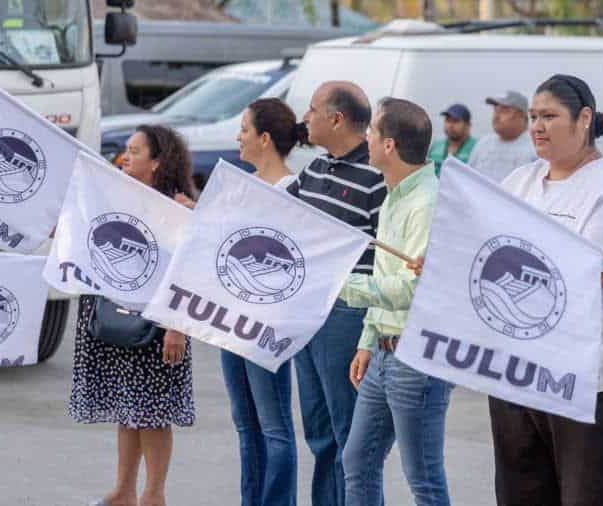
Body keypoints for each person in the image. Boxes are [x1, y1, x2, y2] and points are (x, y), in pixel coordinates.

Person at [487, 74, 603, 506]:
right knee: (522, 494)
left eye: (549, 116)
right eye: (533, 117)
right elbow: (484, 250)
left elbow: (582, 281)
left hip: (595, 377)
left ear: (583, 118)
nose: (537, 127)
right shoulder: (521, 182)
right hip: (520, 371)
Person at [71, 124, 198, 506]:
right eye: (126, 149)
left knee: (152, 412)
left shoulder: (178, 206)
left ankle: (152, 495)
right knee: (129, 409)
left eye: (135, 151)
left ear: (158, 162)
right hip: (113, 317)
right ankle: (123, 491)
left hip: (156, 326)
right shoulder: (115, 196)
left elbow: (188, 270)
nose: (125, 157)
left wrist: (176, 326)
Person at [339, 97, 453, 506]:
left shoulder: (427, 203)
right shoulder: (395, 195)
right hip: (385, 352)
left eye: (372, 133)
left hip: (417, 357)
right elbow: (385, 273)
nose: (365, 140)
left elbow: (411, 288)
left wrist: (338, 283)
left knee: (423, 478)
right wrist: (368, 340)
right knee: (357, 460)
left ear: (389, 145)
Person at [293, 81, 386, 506]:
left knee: (350, 436)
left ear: (336, 118)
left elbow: (390, 257)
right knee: (319, 434)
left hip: (347, 315)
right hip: (307, 310)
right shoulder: (313, 169)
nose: (305, 119)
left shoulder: (378, 176)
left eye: (312, 110)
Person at [215, 98, 302, 506]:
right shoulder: (244, 187)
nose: (239, 136)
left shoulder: (291, 191)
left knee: (274, 427)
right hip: (231, 322)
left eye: (245, 129)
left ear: (265, 139)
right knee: (246, 425)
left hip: (266, 326)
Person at [467, 90, 537, 182]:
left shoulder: (536, 147)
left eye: (504, 110)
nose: (496, 116)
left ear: (522, 116)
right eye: (495, 110)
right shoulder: (483, 144)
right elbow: (467, 178)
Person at [427, 103, 477, 175]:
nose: (450, 125)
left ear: (468, 125)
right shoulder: (436, 146)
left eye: (455, 121)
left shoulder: (476, 147)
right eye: (447, 120)